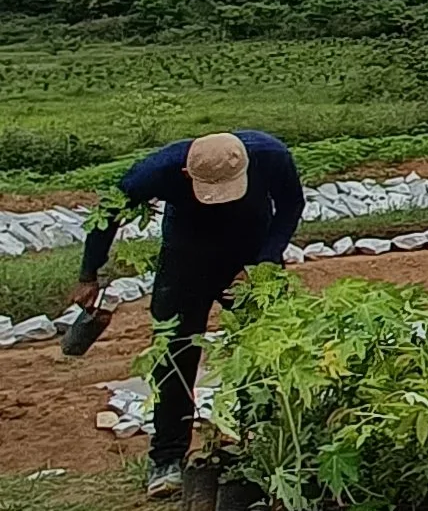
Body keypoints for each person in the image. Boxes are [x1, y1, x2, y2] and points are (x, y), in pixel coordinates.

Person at [71, 130, 306, 491]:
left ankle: (259, 440)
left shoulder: (271, 155)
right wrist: (89, 274)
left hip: (251, 257)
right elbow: (108, 213)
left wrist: (264, 263)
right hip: (185, 260)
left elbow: (291, 204)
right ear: (186, 175)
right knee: (173, 353)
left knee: (261, 348)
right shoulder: (157, 170)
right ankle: (166, 459)